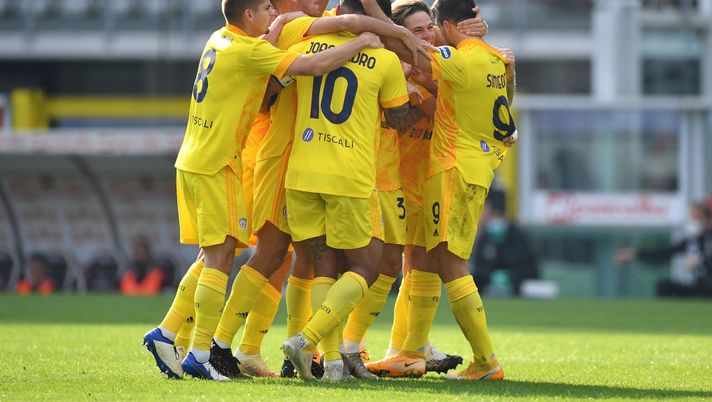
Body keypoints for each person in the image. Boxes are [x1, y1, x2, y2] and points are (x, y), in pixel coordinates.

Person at [142, 0, 386, 381]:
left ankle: (200, 339)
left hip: (219, 157)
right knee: (256, 253)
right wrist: (376, 36)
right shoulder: (285, 30)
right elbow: (310, 61)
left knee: (279, 257)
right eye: (267, 9)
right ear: (252, 14)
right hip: (261, 157)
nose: (320, 4)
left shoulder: (222, 37)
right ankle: (215, 347)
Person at [209, 0, 428, 380]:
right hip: (289, 156)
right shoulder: (298, 27)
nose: (319, 4)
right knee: (273, 253)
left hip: (304, 163)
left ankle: (322, 361)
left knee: (311, 263)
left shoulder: (306, 34)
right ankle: (220, 346)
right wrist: (397, 39)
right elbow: (267, 94)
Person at [365, 0, 516, 381]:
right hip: (470, 168)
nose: (429, 34)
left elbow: (409, 52)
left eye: (433, 26)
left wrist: (372, 10)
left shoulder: (455, 59)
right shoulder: (495, 58)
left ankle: (485, 361)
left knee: (448, 263)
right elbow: (505, 105)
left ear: (446, 26)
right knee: (427, 260)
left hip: (452, 168)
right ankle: (410, 352)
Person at [280, 0, 428, 381]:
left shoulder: (306, 46)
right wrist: (422, 98)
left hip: (301, 172)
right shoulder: (383, 61)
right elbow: (398, 118)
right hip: (347, 177)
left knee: (323, 267)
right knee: (367, 267)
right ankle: (306, 340)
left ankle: (331, 364)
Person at [616, 202, 712, 298]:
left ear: (707, 220)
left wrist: (700, 262)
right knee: (663, 286)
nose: (694, 222)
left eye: (697, 218)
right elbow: (664, 253)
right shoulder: (691, 241)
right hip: (698, 288)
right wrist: (635, 254)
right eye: (692, 218)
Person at [472, 189, 539, 296]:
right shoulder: (485, 237)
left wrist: (512, 277)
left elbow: (531, 269)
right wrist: (489, 277)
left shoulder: (518, 235)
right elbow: (478, 270)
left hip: (518, 293)